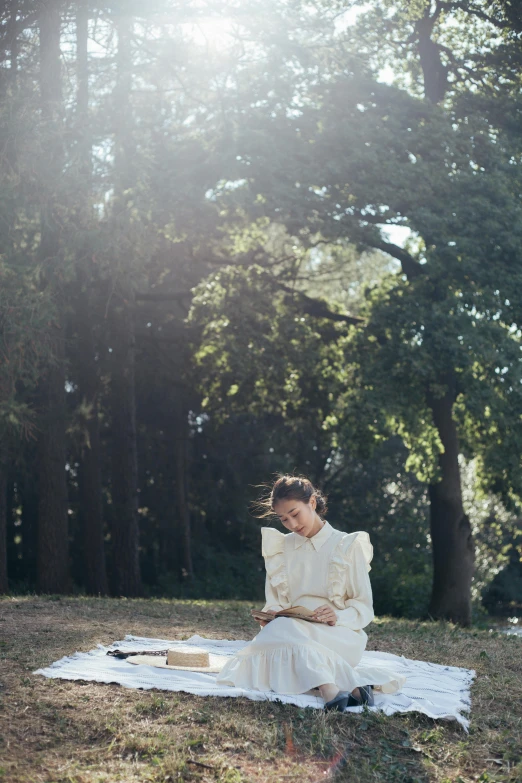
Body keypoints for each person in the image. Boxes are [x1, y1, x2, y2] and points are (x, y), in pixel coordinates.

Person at [216, 474, 406, 711]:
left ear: (312, 503)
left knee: (275, 646)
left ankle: (330, 689)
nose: (292, 525)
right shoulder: (280, 549)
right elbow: (274, 603)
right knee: (276, 633)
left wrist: (338, 615)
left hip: (338, 634)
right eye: (284, 519)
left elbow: (364, 607)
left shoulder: (346, 546)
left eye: (295, 514)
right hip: (291, 631)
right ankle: (350, 687)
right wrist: (270, 616)